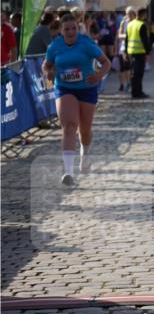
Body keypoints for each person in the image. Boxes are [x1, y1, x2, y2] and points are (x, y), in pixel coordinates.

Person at [42, 12, 110, 185]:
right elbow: (46, 64)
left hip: (87, 89)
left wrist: (99, 75)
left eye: (74, 28)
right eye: (67, 29)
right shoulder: (55, 46)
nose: (71, 32)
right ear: (61, 31)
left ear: (77, 28)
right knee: (69, 125)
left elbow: (106, 62)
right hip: (64, 88)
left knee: (85, 130)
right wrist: (48, 72)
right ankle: (68, 172)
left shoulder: (86, 43)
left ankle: (85, 153)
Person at [116, 6, 135, 93]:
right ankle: (125, 83)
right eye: (128, 13)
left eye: (131, 13)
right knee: (123, 67)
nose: (129, 15)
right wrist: (127, 37)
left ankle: (130, 83)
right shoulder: (124, 22)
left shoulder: (136, 23)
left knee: (131, 67)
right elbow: (119, 35)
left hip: (134, 48)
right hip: (123, 47)